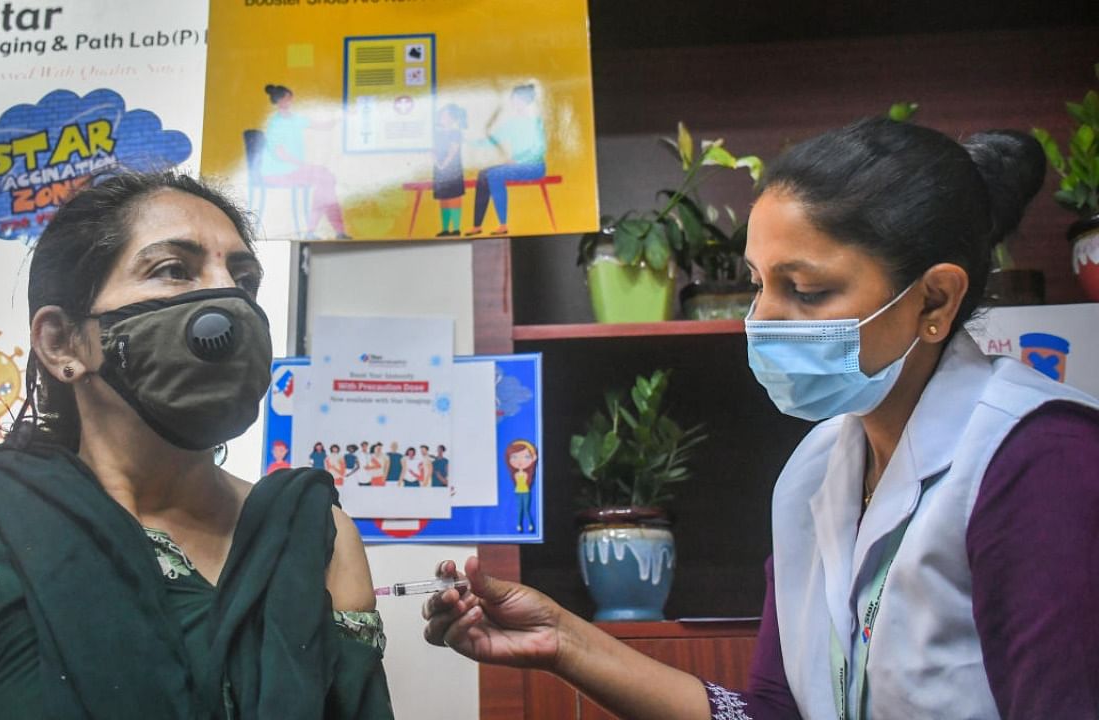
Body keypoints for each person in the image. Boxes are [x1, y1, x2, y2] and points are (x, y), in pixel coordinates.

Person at [424, 118, 1099, 719]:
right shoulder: (814, 473)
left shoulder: (1039, 461)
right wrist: (563, 642)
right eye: (757, 282)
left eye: (804, 290)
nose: (762, 320)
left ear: (936, 297)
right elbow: (771, 713)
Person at [0, 171, 393, 719]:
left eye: (244, 281)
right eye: (173, 269)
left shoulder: (315, 534)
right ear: (62, 343)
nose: (229, 300)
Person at [259, 84, 350, 240]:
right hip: (278, 172)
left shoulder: (295, 119)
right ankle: (324, 230)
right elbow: (281, 154)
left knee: (326, 180)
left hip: (293, 169)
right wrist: (302, 165)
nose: (291, 102)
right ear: (279, 101)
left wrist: (342, 116)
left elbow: (323, 126)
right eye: (287, 99)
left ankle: (322, 230)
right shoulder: (275, 124)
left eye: (291, 98)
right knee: (326, 180)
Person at [465, 84, 546, 237]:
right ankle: (477, 225)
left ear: (525, 100)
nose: (513, 103)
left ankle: (503, 224)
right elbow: (491, 140)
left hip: (534, 167)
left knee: (495, 175)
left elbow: (539, 150)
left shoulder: (536, 122)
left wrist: (517, 160)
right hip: (517, 166)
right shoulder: (512, 123)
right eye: (512, 100)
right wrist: (469, 140)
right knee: (483, 175)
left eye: (515, 99)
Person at [432, 104, 468, 237]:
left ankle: (456, 228)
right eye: (441, 114)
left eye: (445, 115)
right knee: (443, 199)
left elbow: (453, 150)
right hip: (440, 170)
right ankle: (445, 228)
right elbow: (433, 150)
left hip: (453, 170)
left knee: (454, 198)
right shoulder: (437, 133)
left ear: (452, 118)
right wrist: (438, 163)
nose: (442, 117)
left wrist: (443, 165)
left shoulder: (456, 133)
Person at [505, 440, 537, 533]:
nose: (519, 461)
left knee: (526, 509)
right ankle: (519, 525)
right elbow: (516, 483)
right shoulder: (515, 475)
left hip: (526, 492)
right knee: (519, 510)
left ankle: (530, 524)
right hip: (518, 492)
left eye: (526, 457)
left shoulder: (528, 474)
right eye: (514, 457)